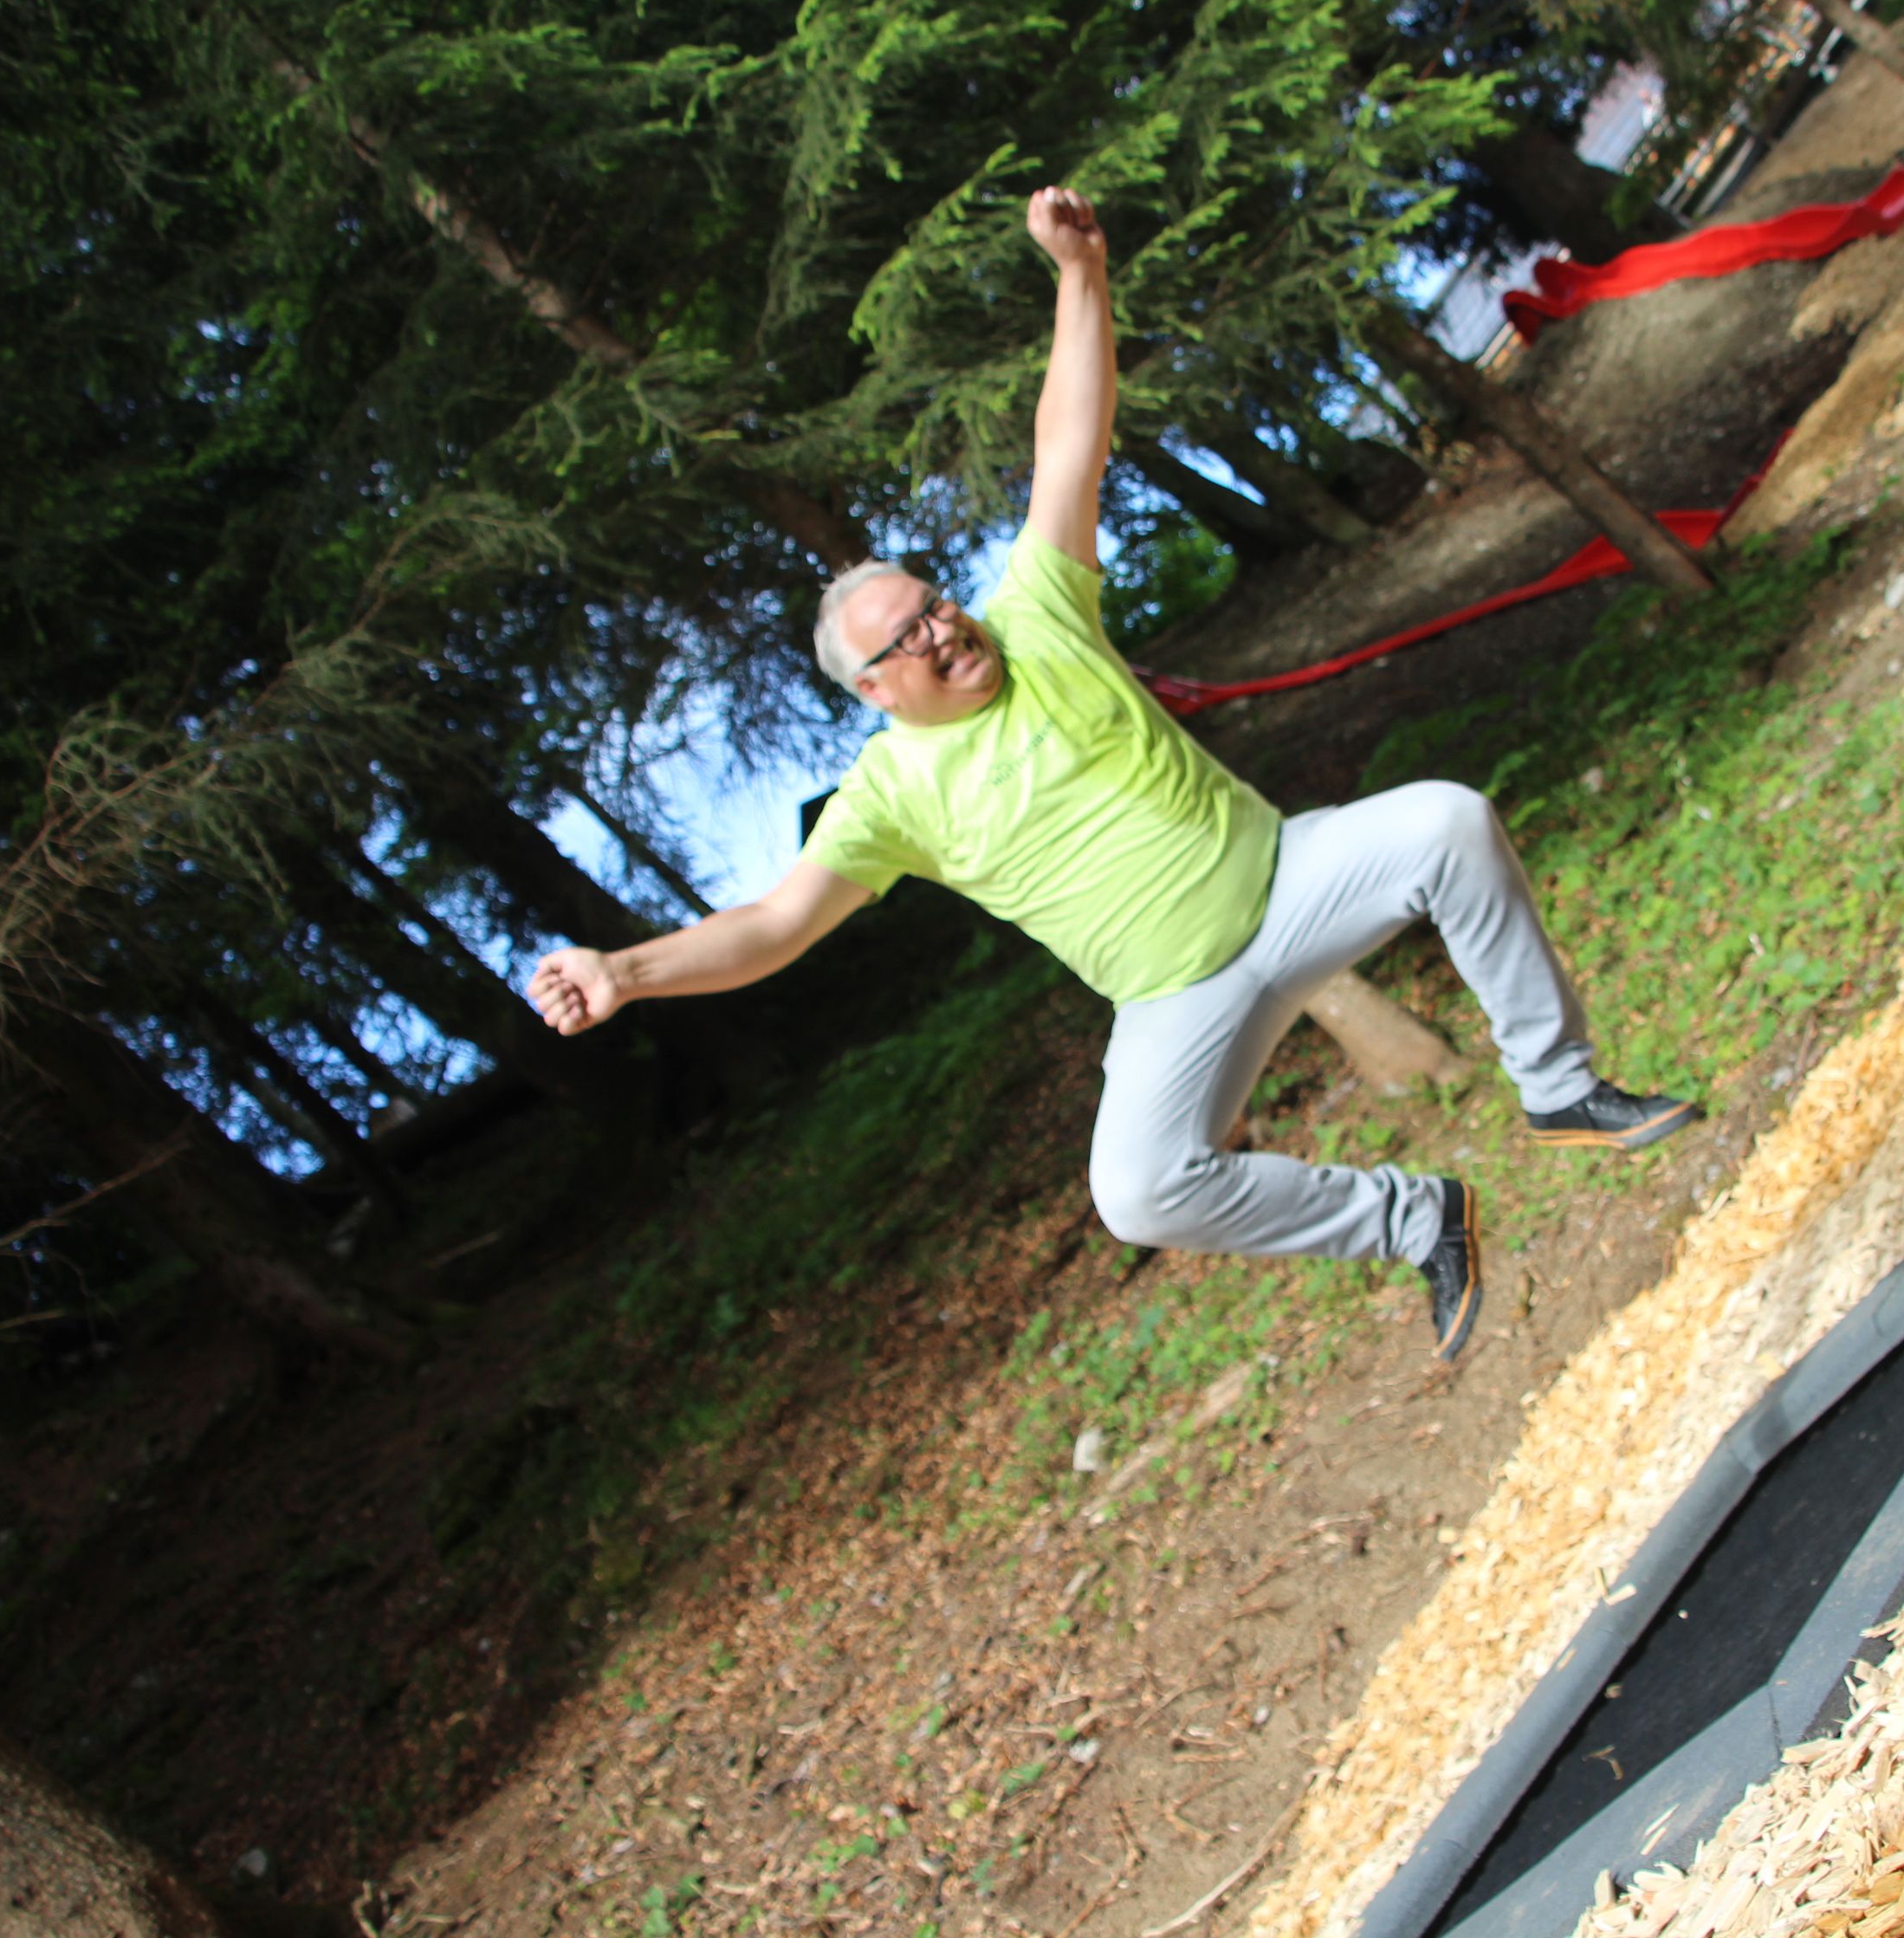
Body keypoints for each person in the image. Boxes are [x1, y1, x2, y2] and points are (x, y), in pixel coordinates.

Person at [528, 186, 1697, 1362]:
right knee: (1137, 1191)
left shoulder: (1037, 612)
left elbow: (1067, 444)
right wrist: (624, 972)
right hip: (1174, 1002)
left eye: (933, 602)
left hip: (1290, 883)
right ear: (876, 689)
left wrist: (1081, 273)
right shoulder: (887, 797)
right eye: (910, 637)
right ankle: (1417, 1220)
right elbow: (773, 928)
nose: (942, 627)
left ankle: (1560, 1087)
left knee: (1449, 822)